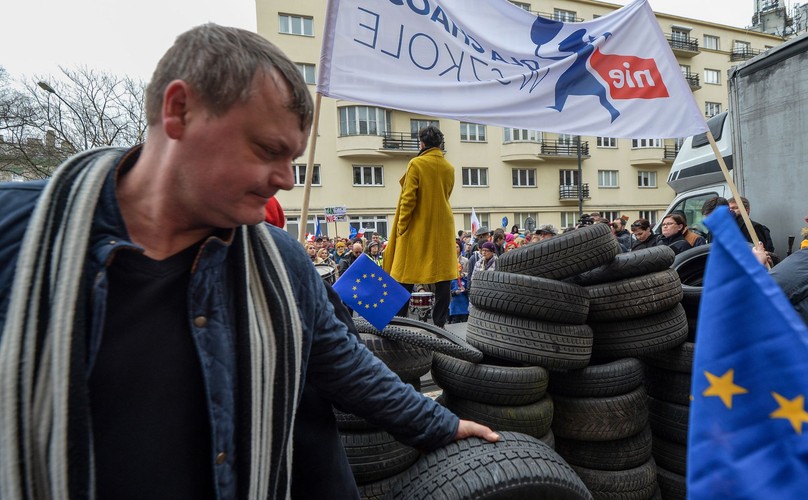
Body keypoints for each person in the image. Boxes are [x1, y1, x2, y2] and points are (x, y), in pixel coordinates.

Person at [0, 24, 498, 500]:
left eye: (293, 159)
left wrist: (441, 424)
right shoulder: (16, 231)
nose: (286, 179)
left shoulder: (282, 262)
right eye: (268, 150)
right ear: (180, 111)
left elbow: (346, 367)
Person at [383, 125, 457, 328]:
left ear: (421, 143)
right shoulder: (449, 167)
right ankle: (440, 324)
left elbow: (408, 199)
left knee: (404, 274)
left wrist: (401, 227)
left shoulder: (416, 163)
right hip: (442, 226)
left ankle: (399, 322)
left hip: (417, 225)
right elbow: (447, 194)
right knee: (443, 276)